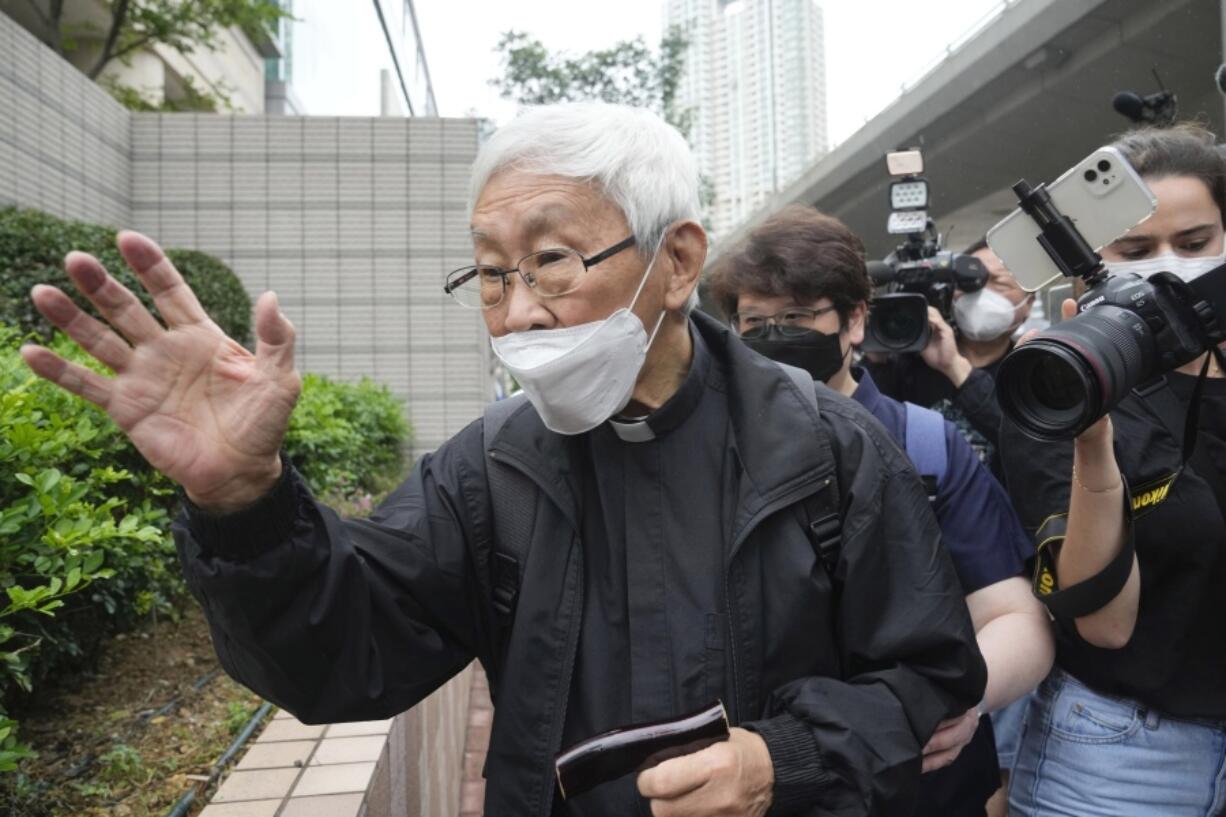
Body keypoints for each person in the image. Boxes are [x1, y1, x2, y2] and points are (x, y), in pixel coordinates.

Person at [20, 102, 986, 816]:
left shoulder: (825, 445)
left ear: (678, 260)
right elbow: (344, 653)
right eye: (489, 272)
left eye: (551, 260)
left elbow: (928, 677)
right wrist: (245, 504)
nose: (518, 311)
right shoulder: (489, 468)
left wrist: (782, 759)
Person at [707, 205, 1054, 817]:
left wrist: (957, 703)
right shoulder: (705, 456)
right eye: (753, 323)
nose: (773, 337)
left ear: (855, 320)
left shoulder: (927, 446)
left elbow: (1014, 617)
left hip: (924, 786)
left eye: (797, 316)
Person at [998, 122, 1226, 817]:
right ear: (1087, 264)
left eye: (1193, 244)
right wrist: (1092, 444)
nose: (1167, 265)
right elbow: (1105, 624)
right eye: (1135, 249)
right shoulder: (1057, 391)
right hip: (1122, 760)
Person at [867, 240, 1033, 477]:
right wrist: (877, 359)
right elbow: (865, 431)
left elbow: (1033, 444)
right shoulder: (912, 365)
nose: (981, 293)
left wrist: (956, 368)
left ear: (1029, 302)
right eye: (969, 283)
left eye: (999, 283)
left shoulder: (1031, 371)